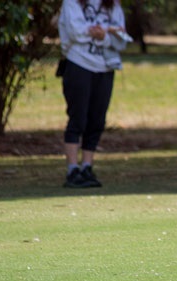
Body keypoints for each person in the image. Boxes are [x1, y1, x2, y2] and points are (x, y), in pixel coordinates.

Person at [57, 0, 131, 188]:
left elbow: (121, 38)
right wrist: (108, 31)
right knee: (78, 118)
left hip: (105, 67)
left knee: (97, 120)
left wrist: (104, 35)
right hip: (78, 64)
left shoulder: (112, 5)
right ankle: (72, 169)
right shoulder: (72, 3)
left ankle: (87, 166)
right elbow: (75, 32)